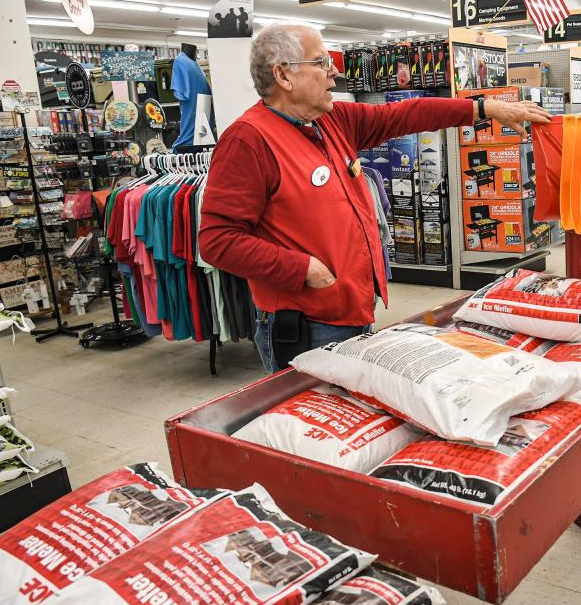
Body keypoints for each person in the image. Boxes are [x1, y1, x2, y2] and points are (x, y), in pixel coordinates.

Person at [199, 24, 551, 373]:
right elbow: (218, 241)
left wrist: (484, 109)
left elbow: (407, 114)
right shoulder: (248, 141)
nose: (333, 73)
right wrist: (301, 268)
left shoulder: (331, 121)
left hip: (353, 310)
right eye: (321, 63)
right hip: (304, 324)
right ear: (283, 75)